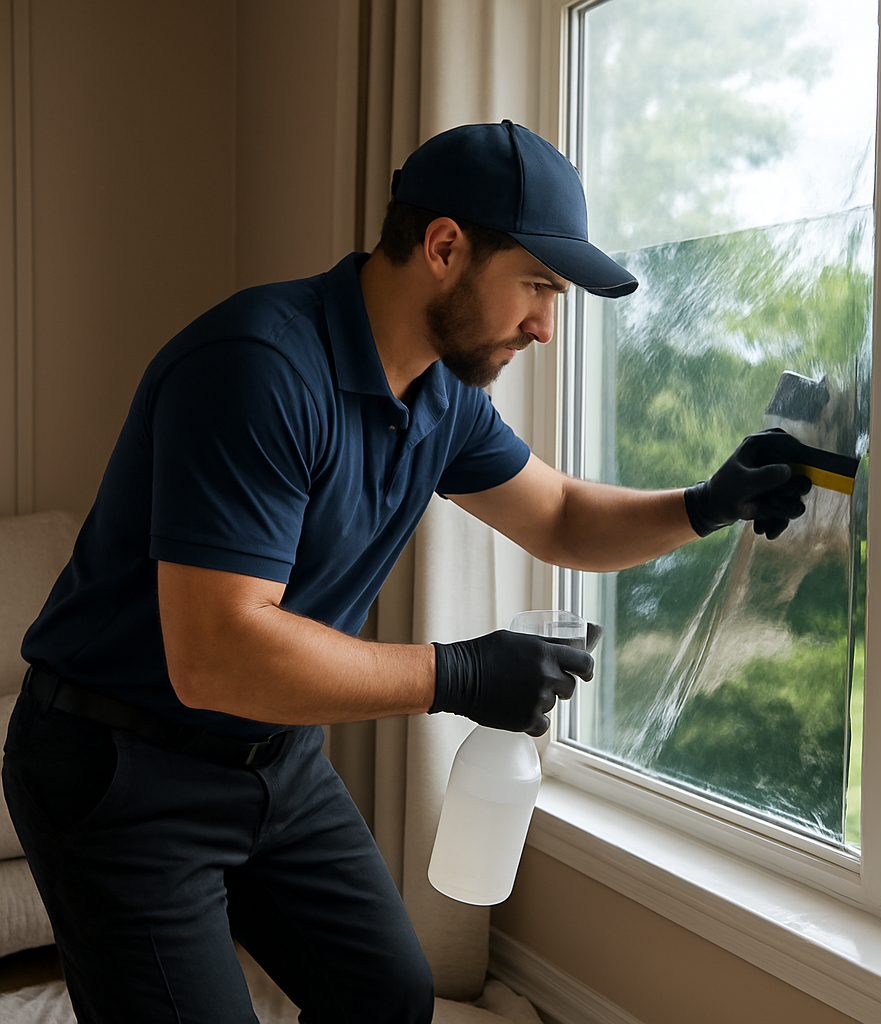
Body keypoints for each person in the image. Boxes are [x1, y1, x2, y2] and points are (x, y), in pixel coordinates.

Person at [2, 120, 810, 1023]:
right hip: (121, 767)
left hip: (275, 757)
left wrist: (706, 504)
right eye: (537, 285)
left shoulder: (441, 393)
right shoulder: (258, 370)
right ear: (443, 246)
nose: (545, 325)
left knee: (388, 997)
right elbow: (216, 654)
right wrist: (458, 673)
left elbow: (563, 517)